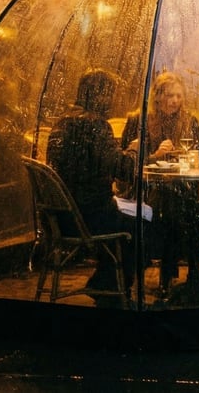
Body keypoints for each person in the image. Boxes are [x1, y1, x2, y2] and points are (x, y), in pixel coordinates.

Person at [46, 68, 137, 307]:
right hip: (89, 218)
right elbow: (124, 169)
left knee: (128, 211)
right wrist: (136, 148)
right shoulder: (97, 126)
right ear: (100, 96)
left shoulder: (62, 123)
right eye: (110, 95)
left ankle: (105, 281)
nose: (112, 101)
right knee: (143, 221)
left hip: (61, 217)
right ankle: (110, 287)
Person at [120, 71, 199, 292]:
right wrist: (156, 156)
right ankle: (176, 274)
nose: (175, 101)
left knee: (181, 206)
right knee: (175, 209)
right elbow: (126, 163)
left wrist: (187, 157)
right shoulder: (139, 121)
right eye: (170, 96)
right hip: (145, 190)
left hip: (180, 188)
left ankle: (178, 276)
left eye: (179, 96)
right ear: (158, 97)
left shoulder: (189, 121)